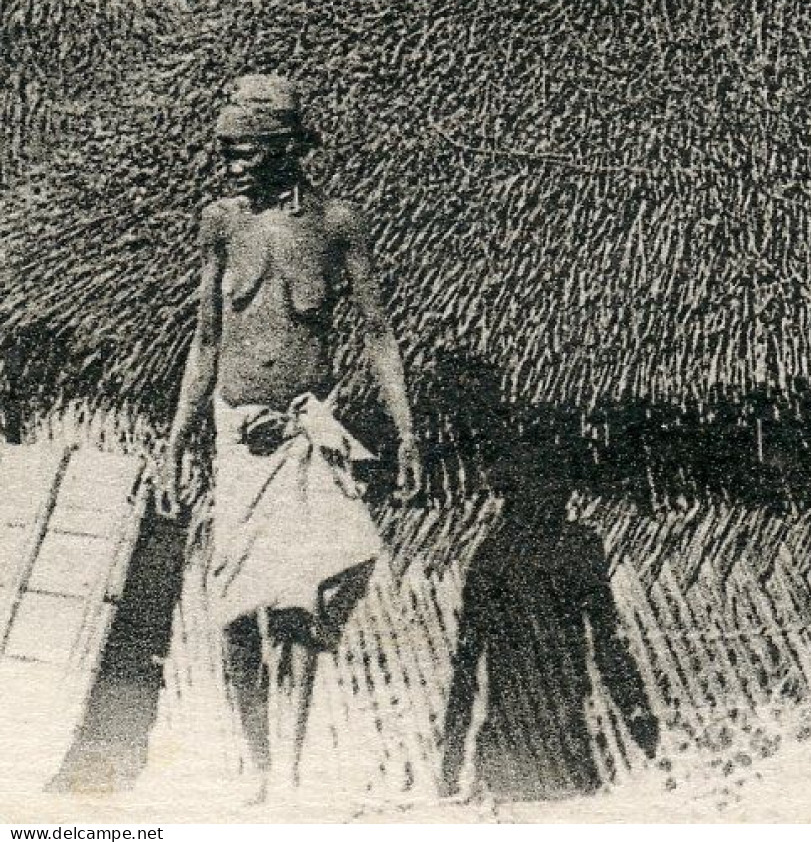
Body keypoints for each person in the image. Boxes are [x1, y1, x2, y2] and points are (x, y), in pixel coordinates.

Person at [157, 73, 422, 800]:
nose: (230, 164)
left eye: (244, 151)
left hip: (305, 435)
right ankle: (258, 764)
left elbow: (377, 335)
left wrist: (406, 433)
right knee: (239, 609)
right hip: (238, 442)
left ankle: (295, 772)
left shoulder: (336, 223)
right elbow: (206, 341)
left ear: (286, 149)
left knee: (305, 598)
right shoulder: (221, 221)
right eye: (225, 151)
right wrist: (177, 442)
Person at [440, 432, 659, 802]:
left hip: (508, 758)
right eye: (559, 488)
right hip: (564, 753)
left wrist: (451, 756)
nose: (564, 499)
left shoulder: (490, 555)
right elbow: (608, 643)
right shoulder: (579, 547)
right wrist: (637, 714)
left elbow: (465, 665)